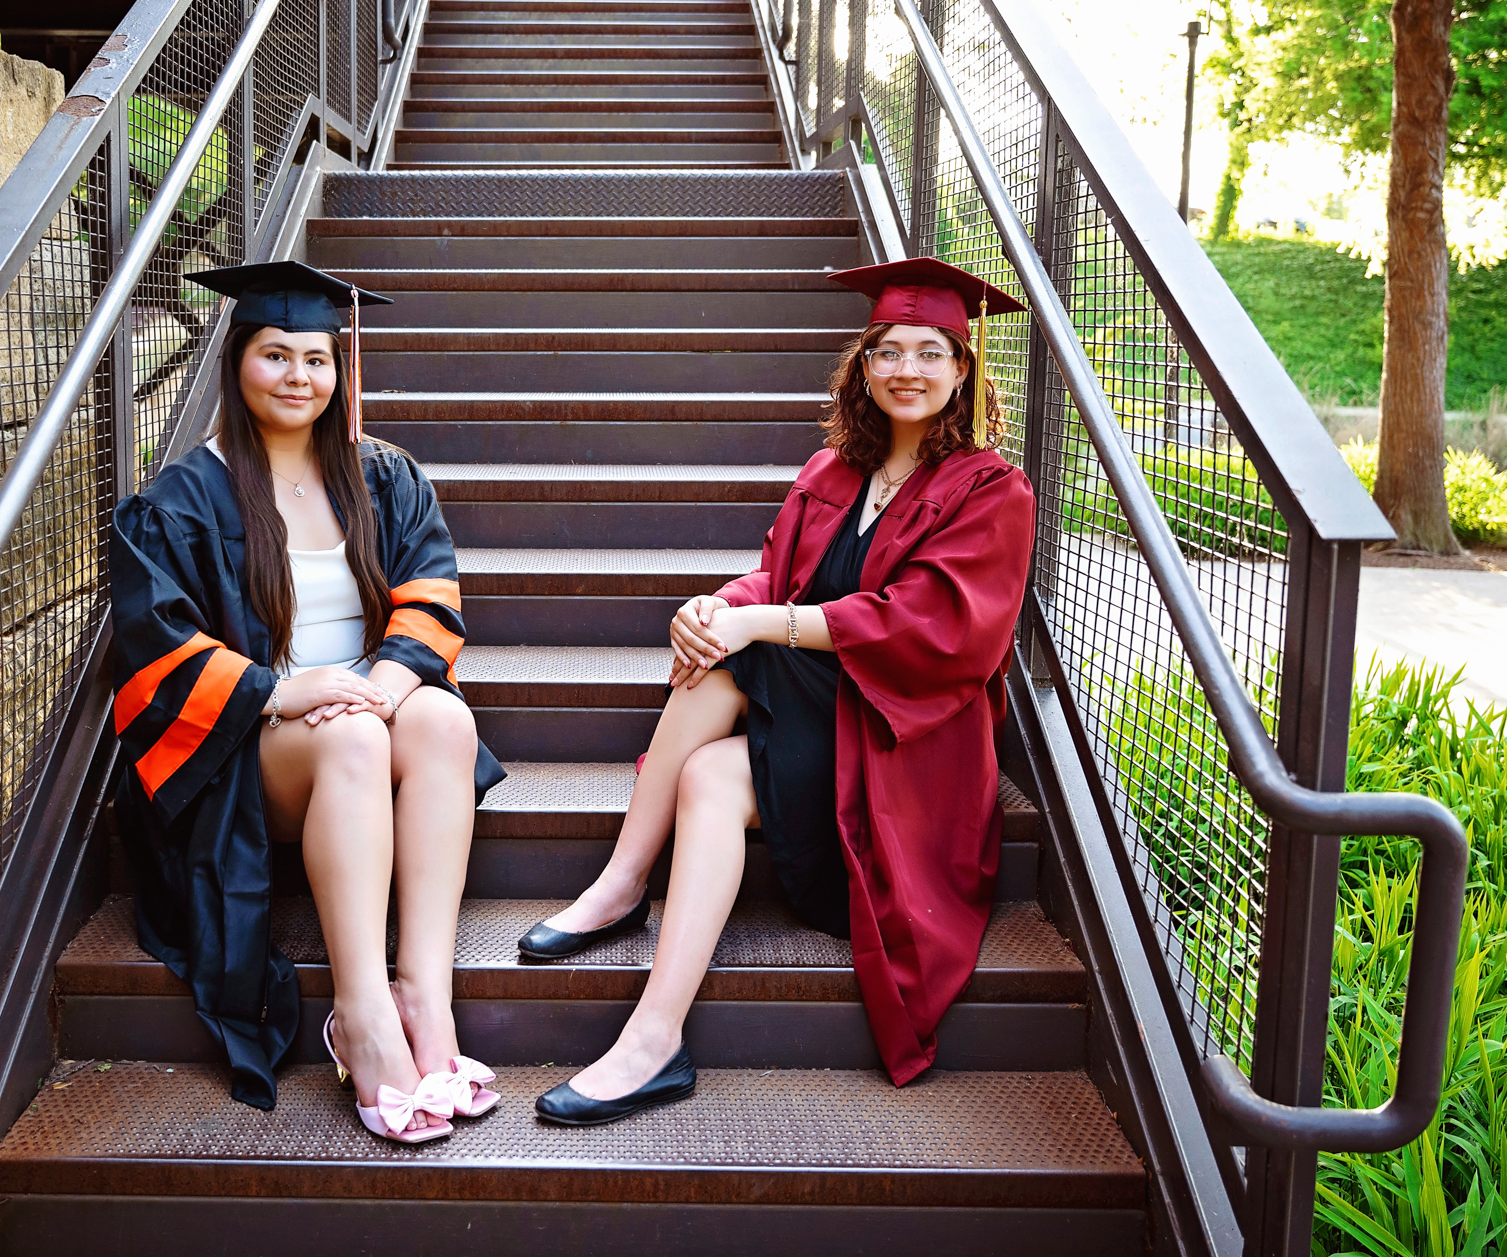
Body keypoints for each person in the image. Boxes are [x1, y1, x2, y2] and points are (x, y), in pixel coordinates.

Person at [518, 257, 1038, 1125]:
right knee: (709, 766)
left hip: (899, 757)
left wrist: (754, 627)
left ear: (962, 369)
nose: (906, 369)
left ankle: (621, 888)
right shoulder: (833, 472)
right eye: (886, 352)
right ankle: (654, 1033)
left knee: (733, 658)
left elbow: (931, 631)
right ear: (861, 368)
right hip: (812, 729)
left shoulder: (989, 489)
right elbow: (776, 577)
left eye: (929, 352)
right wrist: (715, 605)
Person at [110, 261, 506, 1144]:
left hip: (363, 708)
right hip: (253, 748)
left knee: (443, 718)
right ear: (236, 362)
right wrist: (284, 691)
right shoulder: (185, 497)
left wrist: (380, 684)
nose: (298, 377)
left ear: (341, 369)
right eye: (275, 354)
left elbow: (431, 595)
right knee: (358, 743)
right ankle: (360, 1018)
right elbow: (155, 649)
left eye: (317, 358)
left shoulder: (381, 476)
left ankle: (424, 1004)